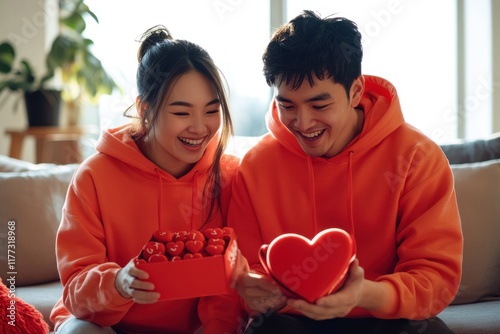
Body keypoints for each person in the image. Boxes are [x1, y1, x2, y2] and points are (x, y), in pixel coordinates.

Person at [228, 10, 463, 334]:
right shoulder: (254, 168)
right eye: (288, 105)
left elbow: (434, 277)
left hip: (384, 317)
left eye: (319, 105)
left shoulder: (417, 158)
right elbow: (246, 270)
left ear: (355, 91)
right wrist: (252, 291)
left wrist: (366, 294)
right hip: (293, 322)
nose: (303, 122)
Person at [50, 25, 245, 333]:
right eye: (182, 113)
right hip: (103, 324)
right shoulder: (95, 176)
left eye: (211, 110)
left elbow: (227, 291)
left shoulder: (229, 176)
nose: (200, 128)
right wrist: (117, 283)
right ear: (145, 110)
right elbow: (76, 288)